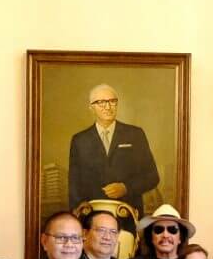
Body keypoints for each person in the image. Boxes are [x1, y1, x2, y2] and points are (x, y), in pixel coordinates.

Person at [67, 83, 159, 217]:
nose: (108, 107)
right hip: (92, 218)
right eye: (101, 102)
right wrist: (77, 213)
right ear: (91, 107)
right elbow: (74, 185)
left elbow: (152, 176)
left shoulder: (135, 134)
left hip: (128, 215)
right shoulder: (79, 140)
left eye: (112, 101)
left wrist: (126, 188)